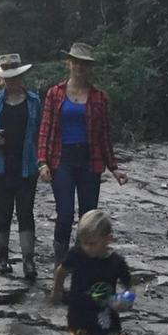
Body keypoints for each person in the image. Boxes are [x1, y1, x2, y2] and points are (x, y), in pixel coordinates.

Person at [36, 42, 127, 268]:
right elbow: (45, 129)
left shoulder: (99, 98)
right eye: (75, 62)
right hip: (62, 160)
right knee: (65, 213)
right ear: (69, 63)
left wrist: (114, 167)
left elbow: (104, 135)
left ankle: (82, 265)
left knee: (88, 218)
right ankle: (60, 266)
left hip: (89, 161)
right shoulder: (54, 94)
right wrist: (42, 162)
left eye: (84, 64)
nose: (79, 67)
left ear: (89, 68)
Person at [0, 52, 42, 280]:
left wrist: (44, 160)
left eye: (15, 77)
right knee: (4, 211)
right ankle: (2, 257)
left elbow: (41, 133)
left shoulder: (34, 101)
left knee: (26, 212)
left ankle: (28, 260)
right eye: (8, 77)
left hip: (27, 163)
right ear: (2, 79)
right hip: (0, 164)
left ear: (21, 76)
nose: (12, 81)